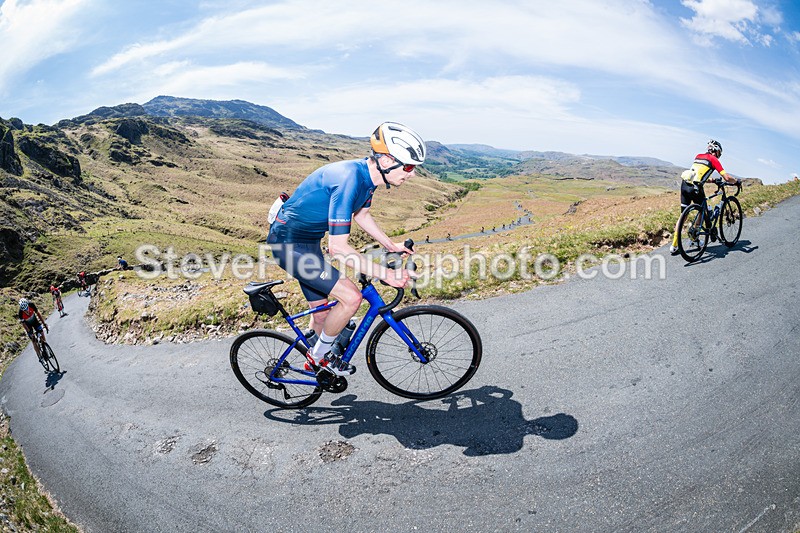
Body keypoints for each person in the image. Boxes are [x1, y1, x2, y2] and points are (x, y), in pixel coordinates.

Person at [266, 122, 422, 376]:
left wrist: (389, 245)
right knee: (351, 297)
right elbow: (338, 248)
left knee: (322, 314)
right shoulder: (349, 179)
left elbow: (363, 214)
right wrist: (388, 274)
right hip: (288, 246)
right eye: (407, 166)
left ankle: (321, 358)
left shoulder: (367, 178)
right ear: (384, 160)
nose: (412, 174)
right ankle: (318, 359)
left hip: (307, 243)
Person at [670, 140, 740, 255]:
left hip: (685, 185)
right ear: (716, 151)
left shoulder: (698, 156)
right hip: (696, 188)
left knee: (683, 216)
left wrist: (712, 180)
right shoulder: (714, 160)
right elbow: (726, 178)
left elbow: (698, 174)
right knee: (704, 211)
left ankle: (674, 246)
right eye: (720, 154)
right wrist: (737, 181)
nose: (719, 156)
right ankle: (695, 239)